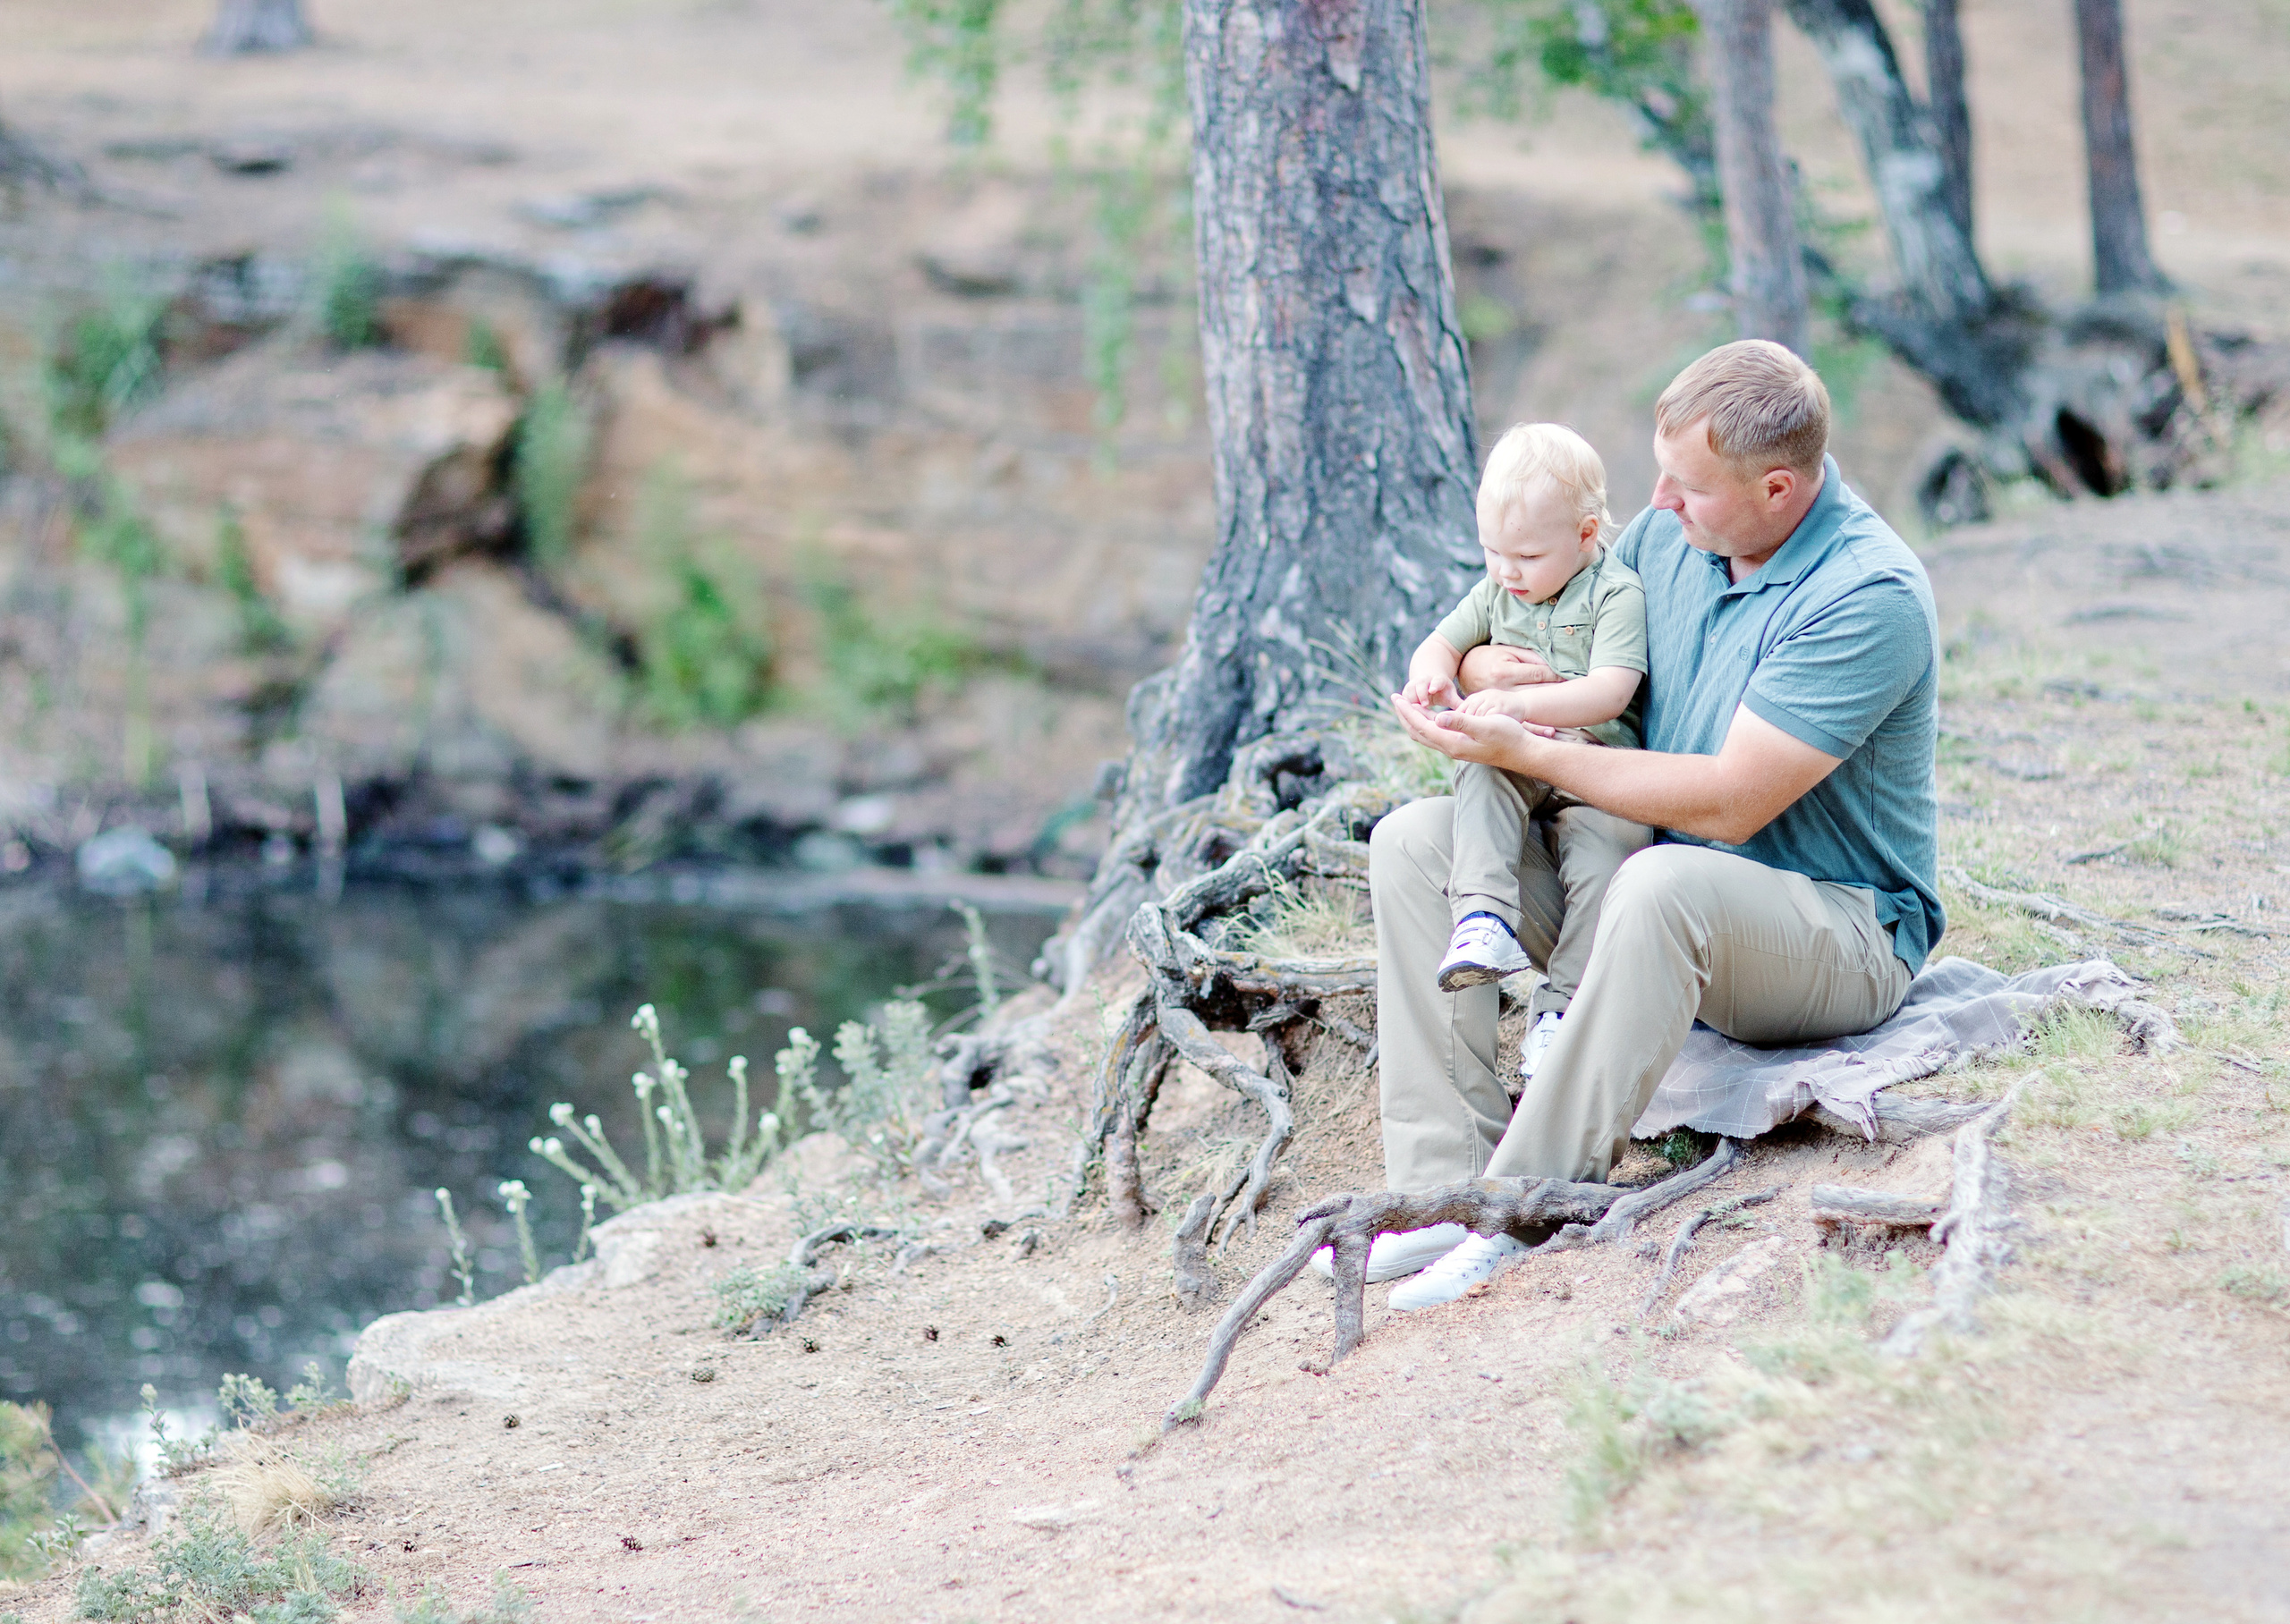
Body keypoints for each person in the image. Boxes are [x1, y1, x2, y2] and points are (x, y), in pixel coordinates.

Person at [1365, 339, 1943, 1312]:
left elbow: (1731, 801)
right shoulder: (1663, 543)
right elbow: (1531, 634)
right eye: (1659, 478)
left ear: (1777, 488)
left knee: (1659, 885)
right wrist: (1460, 680)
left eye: (1688, 489)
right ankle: (1441, 1184)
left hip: (1836, 930)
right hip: (1649, 890)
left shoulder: (1866, 596)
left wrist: (1531, 751)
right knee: (1414, 844)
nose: (1660, 507)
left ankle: (1521, 1206)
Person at [1395, 422, 1652, 1083]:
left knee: (1608, 866)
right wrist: (1433, 674)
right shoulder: (1496, 591)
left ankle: (1560, 1010)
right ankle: (1483, 917)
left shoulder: (1615, 593)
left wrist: (1520, 706)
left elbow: (1610, 690)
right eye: (1492, 552)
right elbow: (1440, 643)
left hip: (1596, 771)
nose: (1507, 572)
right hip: (1516, 758)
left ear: (1587, 534)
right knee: (1479, 777)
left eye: (1528, 557)